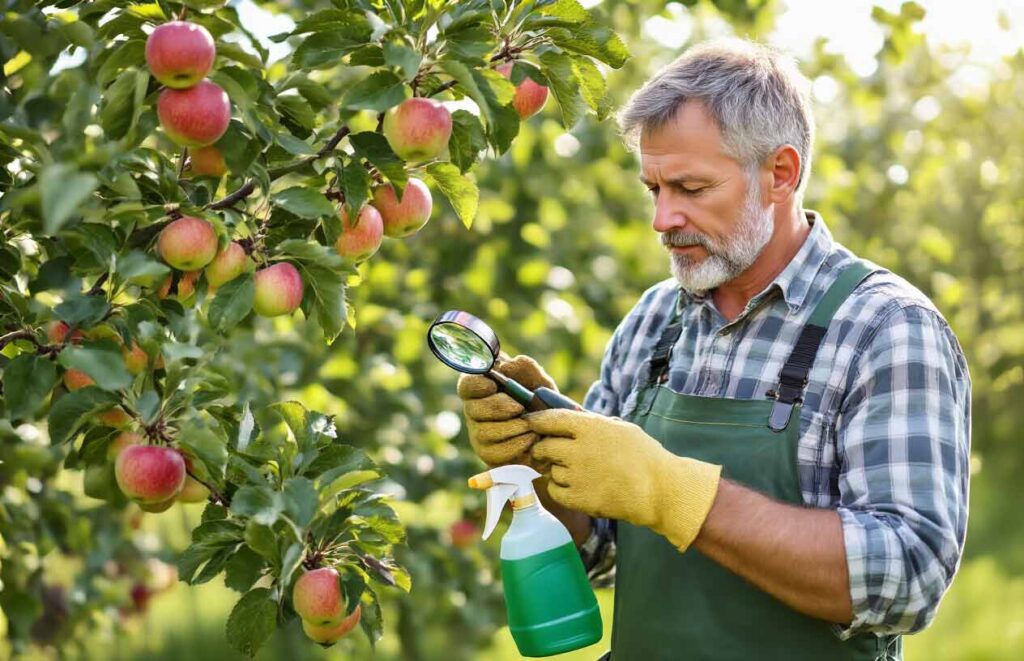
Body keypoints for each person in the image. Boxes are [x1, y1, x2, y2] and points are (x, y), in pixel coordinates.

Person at [457, 38, 971, 660]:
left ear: (780, 173)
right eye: (654, 189)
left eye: (691, 188)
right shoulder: (654, 323)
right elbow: (603, 553)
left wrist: (674, 492)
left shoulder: (886, 329)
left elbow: (909, 577)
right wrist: (542, 473)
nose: (662, 218)